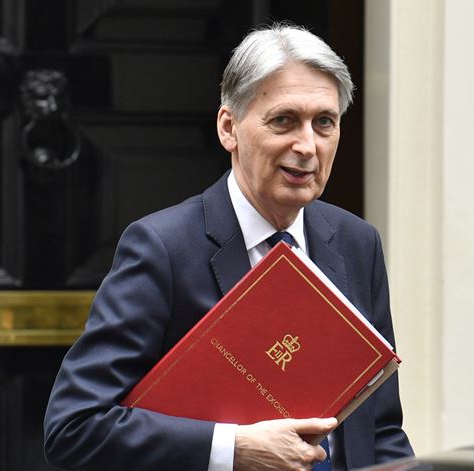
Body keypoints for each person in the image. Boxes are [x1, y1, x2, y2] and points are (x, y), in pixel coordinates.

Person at [44, 23, 414, 471]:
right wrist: (233, 448)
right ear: (229, 128)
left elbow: (380, 429)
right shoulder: (163, 247)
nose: (307, 146)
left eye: (324, 123)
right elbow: (75, 428)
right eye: (284, 120)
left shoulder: (357, 242)